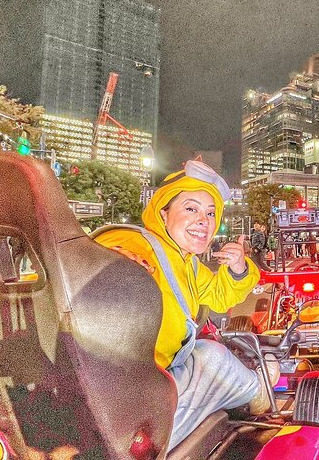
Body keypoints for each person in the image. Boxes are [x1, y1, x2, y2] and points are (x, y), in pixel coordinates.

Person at [94, 161, 275, 451]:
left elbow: (219, 295)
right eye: (191, 208)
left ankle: (254, 390)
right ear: (163, 213)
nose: (204, 220)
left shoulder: (186, 263)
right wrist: (117, 260)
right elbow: (103, 253)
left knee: (206, 352)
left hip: (150, 383)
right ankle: (257, 391)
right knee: (213, 358)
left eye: (210, 213)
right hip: (130, 401)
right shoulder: (136, 242)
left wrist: (240, 268)